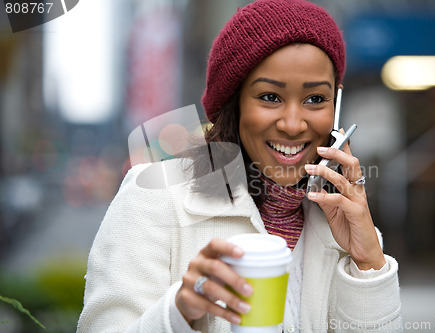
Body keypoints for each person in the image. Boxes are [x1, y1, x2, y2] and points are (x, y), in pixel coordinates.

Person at [77, 0, 402, 332]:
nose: (293, 124)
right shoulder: (154, 196)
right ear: (235, 103)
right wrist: (178, 313)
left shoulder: (345, 226)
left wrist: (368, 263)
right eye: (270, 97)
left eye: (315, 99)